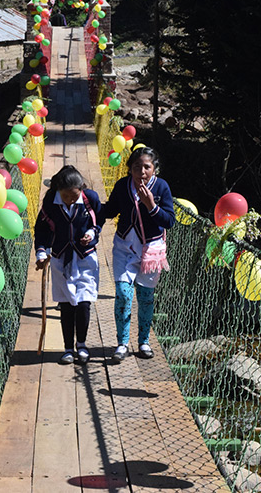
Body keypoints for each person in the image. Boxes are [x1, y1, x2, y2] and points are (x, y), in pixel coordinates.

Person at [103, 147, 176, 363]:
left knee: (145, 298)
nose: (141, 171)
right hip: (124, 248)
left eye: (147, 167)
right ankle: (122, 343)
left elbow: (169, 221)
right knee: (124, 295)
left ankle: (143, 341)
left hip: (151, 252)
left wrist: (151, 205)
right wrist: (87, 203)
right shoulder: (122, 186)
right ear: (129, 169)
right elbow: (109, 211)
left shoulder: (161, 187)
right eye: (136, 167)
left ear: (154, 169)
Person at [35, 165, 102, 364]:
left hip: (85, 258)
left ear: (81, 189)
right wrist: (41, 251)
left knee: (83, 302)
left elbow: (98, 221)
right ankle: (67, 348)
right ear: (58, 191)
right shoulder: (50, 202)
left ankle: (81, 345)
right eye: (65, 196)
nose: (70, 200)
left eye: (74, 196)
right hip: (60, 258)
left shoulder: (90, 199)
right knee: (66, 305)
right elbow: (42, 228)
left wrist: (92, 233)